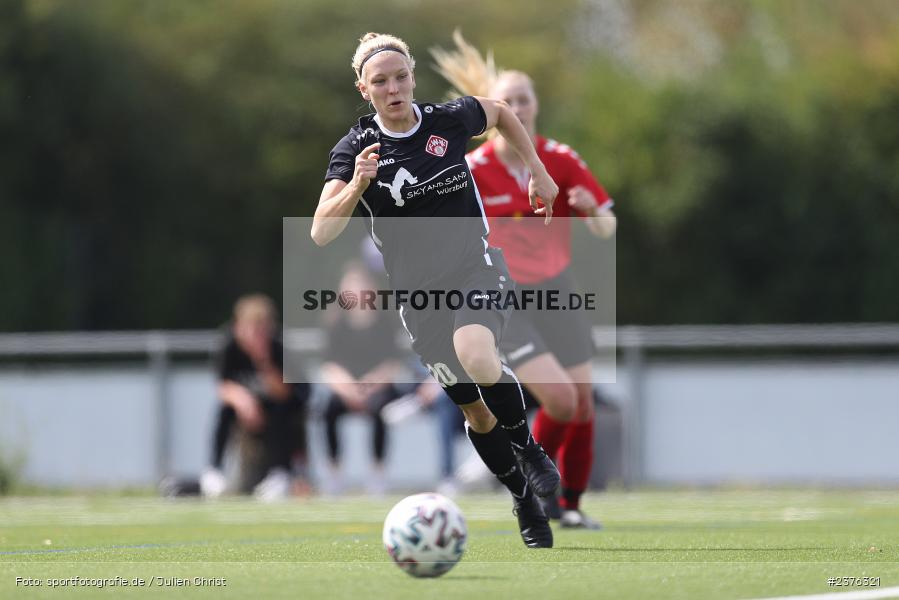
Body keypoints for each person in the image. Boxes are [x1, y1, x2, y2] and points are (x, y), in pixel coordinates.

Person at [311, 32, 561, 548]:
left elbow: (501, 113)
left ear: (412, 77)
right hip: (419, 300)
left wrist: (537, 171)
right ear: (364, 89)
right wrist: (357, 185)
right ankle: (523, 499)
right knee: (475, 412)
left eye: (401, 77)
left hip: (476, 268)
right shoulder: (355, 149)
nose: (394, 88)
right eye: (381, 81)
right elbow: (320, 230)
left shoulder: (448, 120)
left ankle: (529, 450)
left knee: (477, 352)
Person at [433, 32, 617, 529]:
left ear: (535, 105)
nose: (516, 108)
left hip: (558, 291)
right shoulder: (472, 168)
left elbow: (607, 226)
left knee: (582, 405)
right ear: (495, 109)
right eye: (507, 101)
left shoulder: (560, 158)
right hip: (504, 297)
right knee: (560, 399)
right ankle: (530, 472)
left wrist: (591, 212)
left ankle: (569, 507)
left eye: (524, 99)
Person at [320, 262, 406, 496]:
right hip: (346, 389)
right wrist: (349, 389)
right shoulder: (335, 323)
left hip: (378, 388)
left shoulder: (384, 321)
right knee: (328, 409)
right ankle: (334, 473)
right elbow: (329, 365)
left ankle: (378, 474)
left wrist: (370, 385)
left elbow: (393, 362)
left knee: (381, 410)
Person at [215, 293, 310, 498]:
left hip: (286, 408)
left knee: (280, 410)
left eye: (261, 329)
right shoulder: (230, 347)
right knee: (225, 410)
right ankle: (214, 471)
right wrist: (243, 401)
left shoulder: (278, 348)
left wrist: (263, 361)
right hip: (249, 410)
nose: (255, 335)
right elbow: (223, 386)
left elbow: (285, 393)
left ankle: (280, 473)